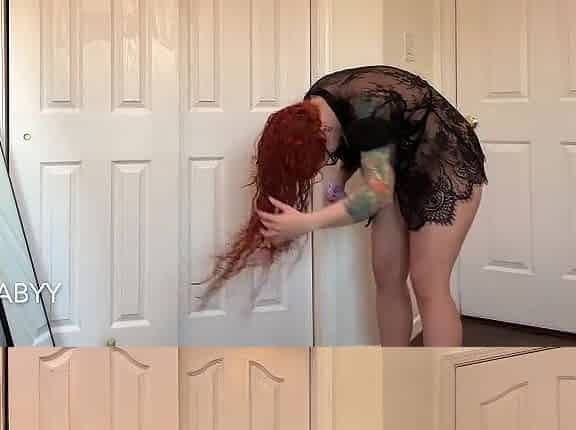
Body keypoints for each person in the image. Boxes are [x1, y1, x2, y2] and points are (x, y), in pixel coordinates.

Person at [201, 65, 487, 347]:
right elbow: (359, 143)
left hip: (445, 161)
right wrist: (339, 181)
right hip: (398, 165)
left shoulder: (367, 112)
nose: (325, 161)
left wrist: (306, 222)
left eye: (323, 157)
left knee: (428, 284)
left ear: (323, 131)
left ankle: (442, 376)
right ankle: (394, 367)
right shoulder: (316, 105)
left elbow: (376, 194)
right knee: (387, 274)